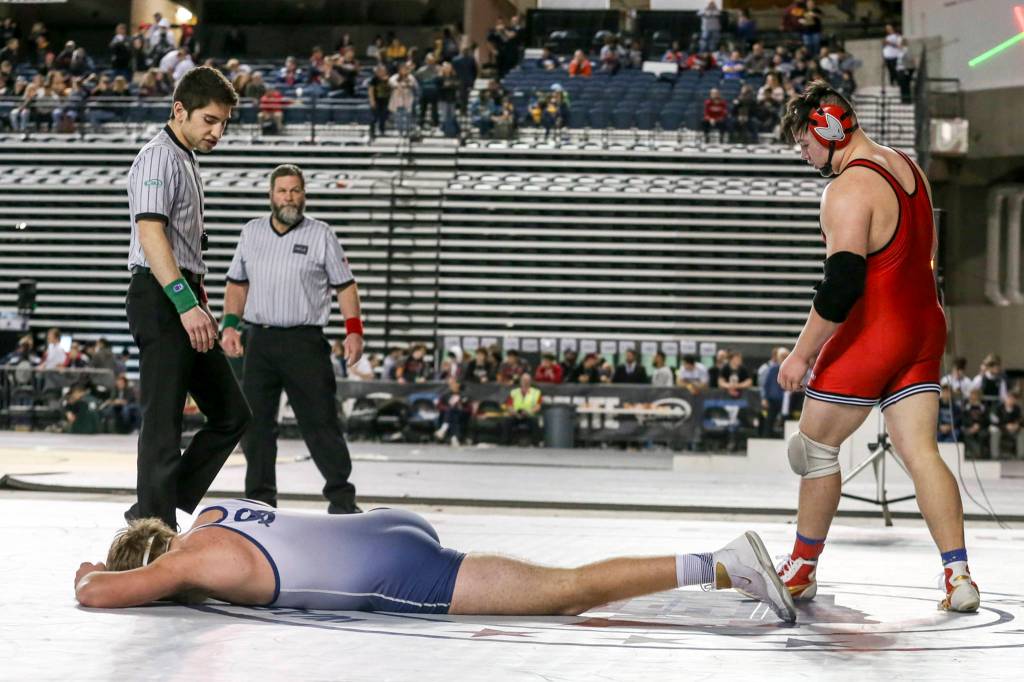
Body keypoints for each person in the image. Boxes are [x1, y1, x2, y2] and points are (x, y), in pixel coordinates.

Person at [775, 80, 980, 613]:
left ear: (829, 129)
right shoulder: (908, 168)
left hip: (877, 331)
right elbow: (922, 254)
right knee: (920, 452)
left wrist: (801, 354)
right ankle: (958, 576)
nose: (803, 154)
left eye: (804, 143)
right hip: (923, 325)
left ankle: (800, 569)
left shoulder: (846, 189)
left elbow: (843, 286)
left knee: (814, 447)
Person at [74, 498, 796, 623]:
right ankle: (717, 569)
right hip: (385, 526)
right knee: (559, 587)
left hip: (395, 575)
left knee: (566, 594)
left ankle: (722, 564)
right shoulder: (211, 515)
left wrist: (93, 573)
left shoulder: (193, 560)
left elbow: (98, 594)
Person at [125, 66, 251, 527]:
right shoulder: (158, 158)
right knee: (163, 422)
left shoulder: (185, 158)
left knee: (232, 413)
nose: (218, 132)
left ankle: (154, 504)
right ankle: (153, 531)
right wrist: (183, 302)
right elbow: (151, 231)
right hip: (161, 297)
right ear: (180, 110)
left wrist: (195, 301)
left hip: (184, 296)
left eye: (224, 124)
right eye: (210, 121)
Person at [221, 165, 362, 515]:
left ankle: (342, 500)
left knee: (320, 422)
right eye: (282, 190)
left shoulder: (321, 234)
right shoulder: (252, 233)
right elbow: (237, 283)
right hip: (260, 342)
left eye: (295, 190)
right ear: (271, 195)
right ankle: (260, 500)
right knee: (255, 427)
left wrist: (354, 330)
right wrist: (229, 326)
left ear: (305, 194)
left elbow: (345, 285)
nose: (289, 197)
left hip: (305, 342)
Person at [502, 373, 542, 446]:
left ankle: (536, 444)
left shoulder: (536, 392)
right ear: (520, 381)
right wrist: (515, 413)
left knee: (535, 422)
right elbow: (509, 406)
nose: (525, 382)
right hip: (516, 415)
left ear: (530, 381)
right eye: (524, 380)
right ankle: (506, 443)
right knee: (507, 421)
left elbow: (538, 406)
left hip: (529, 415)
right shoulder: (514, 392)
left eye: (527, 380)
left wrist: (528, 412)